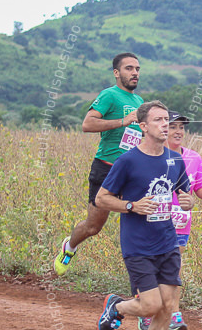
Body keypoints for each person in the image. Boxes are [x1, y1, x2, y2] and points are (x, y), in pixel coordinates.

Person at [94, 101, 194, 330]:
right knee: (150, 305)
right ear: (144, 126)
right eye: (159, 120)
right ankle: (116, 307)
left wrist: (187, 201)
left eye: (167, 120)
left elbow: (185, 195)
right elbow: (102, 199)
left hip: (168, 242)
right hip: (138, 245)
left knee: (167, 308)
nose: (166, 125)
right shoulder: (128, 161)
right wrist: (131, 206)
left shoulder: (175, 160)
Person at [54, 53, 144, 276]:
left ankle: (143, 279)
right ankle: (70, 247)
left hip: (132, 172)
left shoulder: (141, 102)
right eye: (129, 68)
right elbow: (87, 124)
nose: (134, 73)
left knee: (140, 221)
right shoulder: (109, 95)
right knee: (94, 227)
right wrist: (123, 121)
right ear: (117, 73)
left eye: (137, 69)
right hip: (107, 169)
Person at [137, 111, 202, 330]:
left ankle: (173, 313)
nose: (178, 131)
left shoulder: (193, 158)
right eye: (172, 126)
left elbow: (198, 186)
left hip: (181, 221)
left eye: (181, 127)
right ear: (161, 129)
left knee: (174, 265)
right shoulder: (152, 157)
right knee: (151, 265)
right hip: (154, 219)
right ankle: (146, 311)